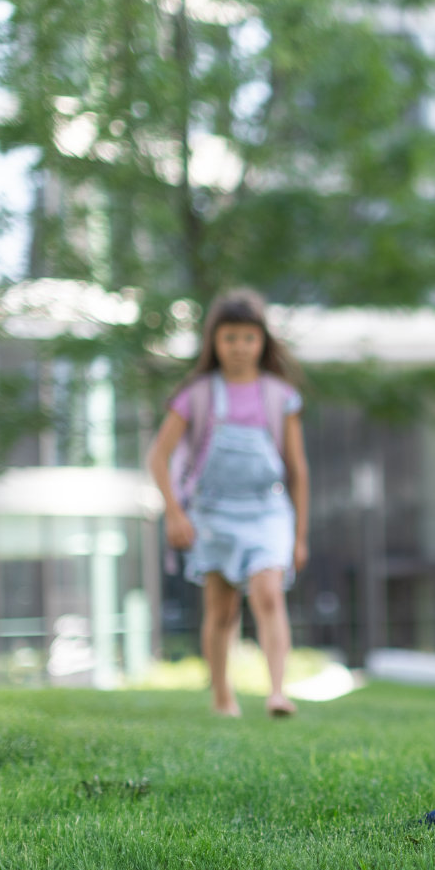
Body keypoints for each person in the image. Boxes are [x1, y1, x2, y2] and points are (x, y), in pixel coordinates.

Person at [146, 288, 309, 718]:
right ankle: (223, 698)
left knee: (269, 593)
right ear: (214, 342)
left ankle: (277, 692)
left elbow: (297, 469)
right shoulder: (196, 394)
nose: (239, 348)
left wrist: (300, 535)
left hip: (267, 510)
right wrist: (175, 513)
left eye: (249, 338)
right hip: (213, 512)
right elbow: (158, 458)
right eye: (230, 338)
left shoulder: (280, 395)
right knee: (221, 608)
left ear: (263, 342)